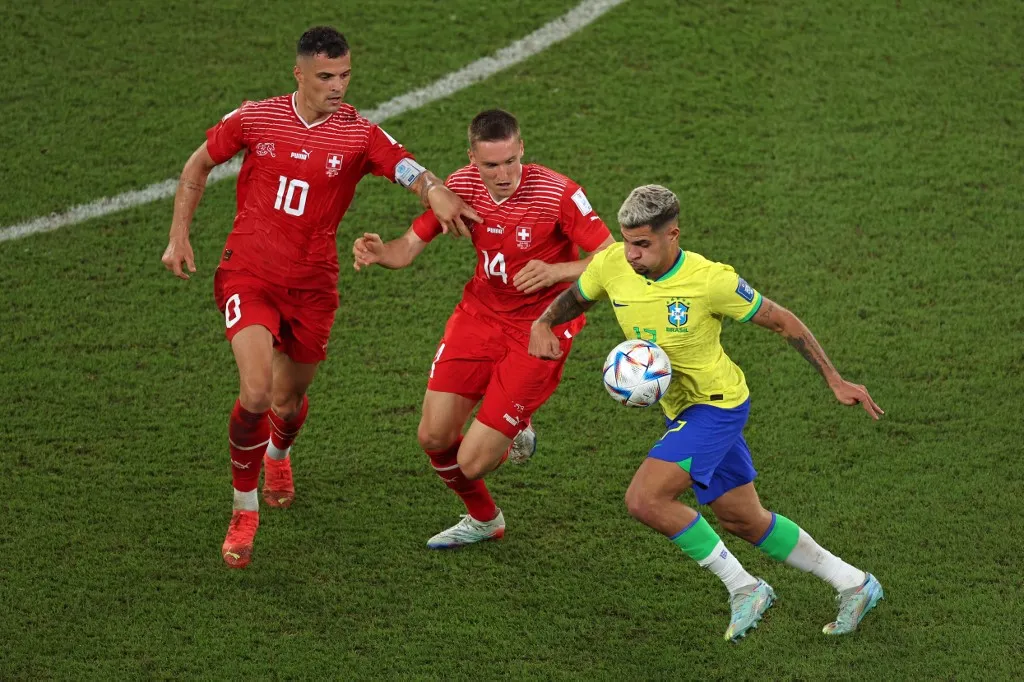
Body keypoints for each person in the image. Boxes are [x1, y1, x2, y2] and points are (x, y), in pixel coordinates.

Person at [160, 26, 481, 569]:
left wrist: (436, 189)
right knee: (257, 392)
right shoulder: (256, 118)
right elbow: (198, 165)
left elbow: (410, 170)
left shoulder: (358, 134)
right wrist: (179, 235)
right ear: (300, 74)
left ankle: (279, 454)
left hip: (312, 286)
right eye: (327, 76)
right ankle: (244, 508)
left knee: (287, 399)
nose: (339, 86)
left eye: (346, 75)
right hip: (250, 274)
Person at [529, 184, 884, 640]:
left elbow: (783, 320)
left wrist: (835, 379)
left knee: (645, 499)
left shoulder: (710, 280)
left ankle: (745, 587)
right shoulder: (612, 263)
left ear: (672, 234)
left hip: (717, 408)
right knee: (742, 519)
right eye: (626, 241)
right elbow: (577, 296)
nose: (631, 254)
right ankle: (855, 583)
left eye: (642, 244)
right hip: (680, 410)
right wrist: (543, 323)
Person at [352, 109, 614, 548]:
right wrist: (381, 252)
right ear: (472, 158)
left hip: (540, 326)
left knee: (471, 462)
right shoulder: (461, 187)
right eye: (491, 164)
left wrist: (556, 271)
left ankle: (516, 423)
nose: (504, 173)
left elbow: (616, 258)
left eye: (511, 160)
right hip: (479, 316)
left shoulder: (558, 194)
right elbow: (407, 249)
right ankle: (485, 519)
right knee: (433, 437)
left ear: (522, 149)